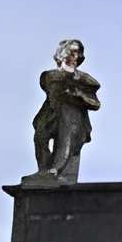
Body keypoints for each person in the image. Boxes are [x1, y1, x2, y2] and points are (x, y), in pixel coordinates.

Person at [28, 38, 99, 182]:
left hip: (71, 117)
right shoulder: (49, 76)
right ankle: (43, 170)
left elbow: (95, 104)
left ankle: (55, 171)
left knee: (65, 144)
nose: (75, 57)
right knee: (40, 137)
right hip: (51, 113)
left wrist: (79, 95)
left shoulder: (85, 80)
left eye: (78, 54)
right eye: (71, 52)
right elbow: (51, 89)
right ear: (61, 54)